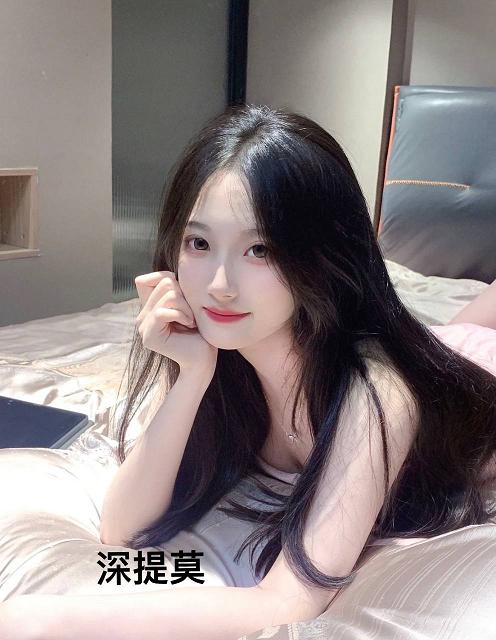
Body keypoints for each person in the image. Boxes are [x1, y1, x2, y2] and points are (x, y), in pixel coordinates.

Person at [1, 104, 496, 639]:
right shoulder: (229, 359)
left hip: (466, 375)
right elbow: (121, 532)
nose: (219, 285)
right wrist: (191, 375)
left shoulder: (376, 395)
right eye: (199, 243)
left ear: (321, 254)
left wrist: (39, 620)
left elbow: (290, 601)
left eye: (259, 249)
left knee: (469, 333)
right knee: (451, 332)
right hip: (437, 351)